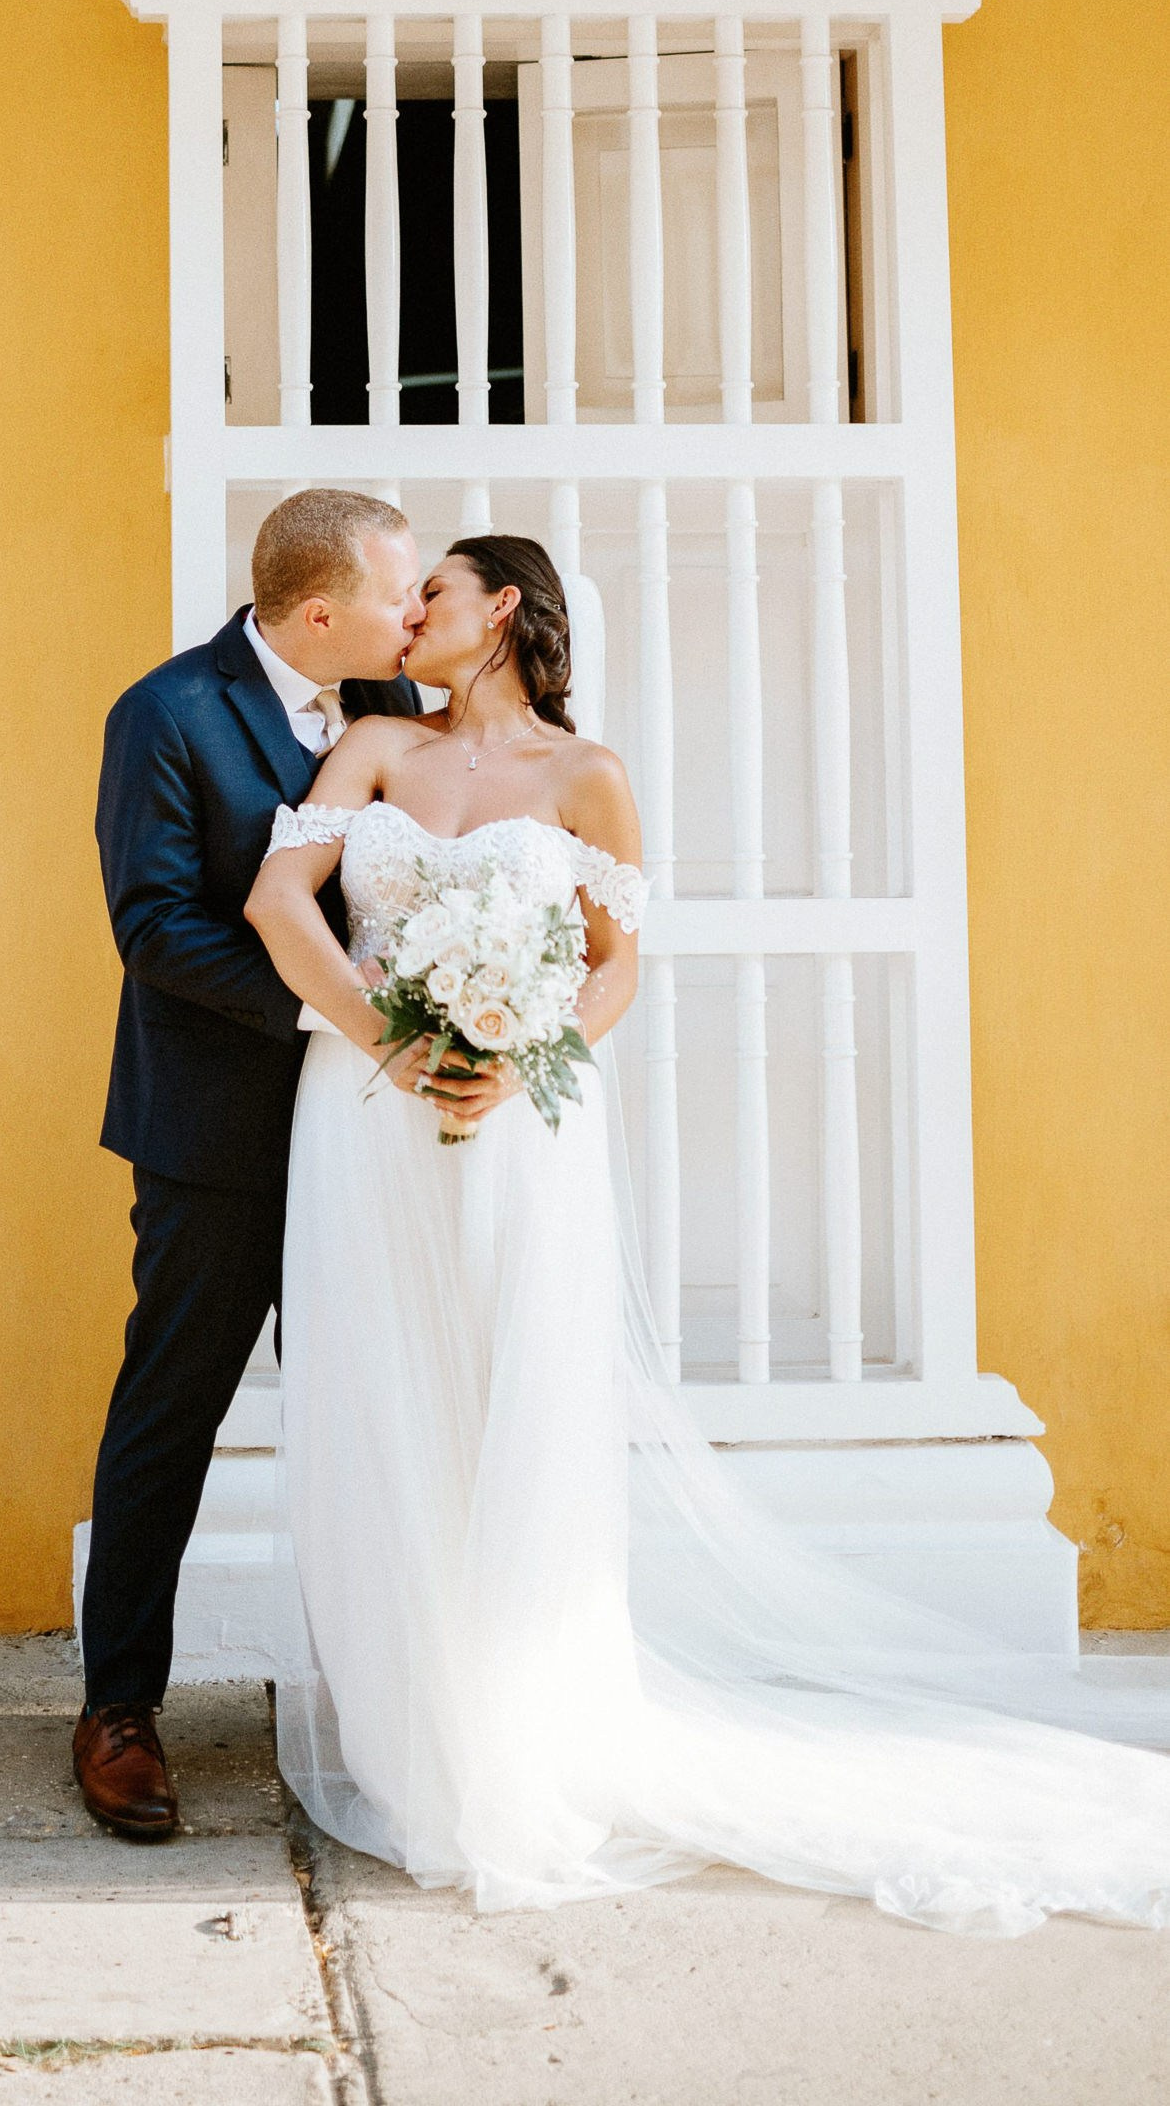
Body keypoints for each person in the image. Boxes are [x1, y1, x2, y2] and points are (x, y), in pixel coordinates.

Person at [242, 532, 1170, 1934]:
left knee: (514, 1405)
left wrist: (521, 1036)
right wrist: (394, 1040)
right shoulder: (368, 752)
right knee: (388, 1395)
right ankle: (408, 1734)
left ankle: (519, 1726)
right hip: (367, 1115)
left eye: (430, 590)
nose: (406, 615)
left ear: (498, 608)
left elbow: (618, 968)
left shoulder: (586, 776)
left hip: (522, 1120)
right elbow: (275, 905)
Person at [75, 489, 435, 1838]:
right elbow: (155, 926)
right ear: (320, 607)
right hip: (217, 1136)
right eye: (398, 594)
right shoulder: (165, 717)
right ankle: (118, 1711)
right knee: (171, 1413)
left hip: (378, 1139)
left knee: (381, 1409)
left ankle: (394, 1701)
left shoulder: (401, 708)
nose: (415, 616)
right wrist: (345, 1015)